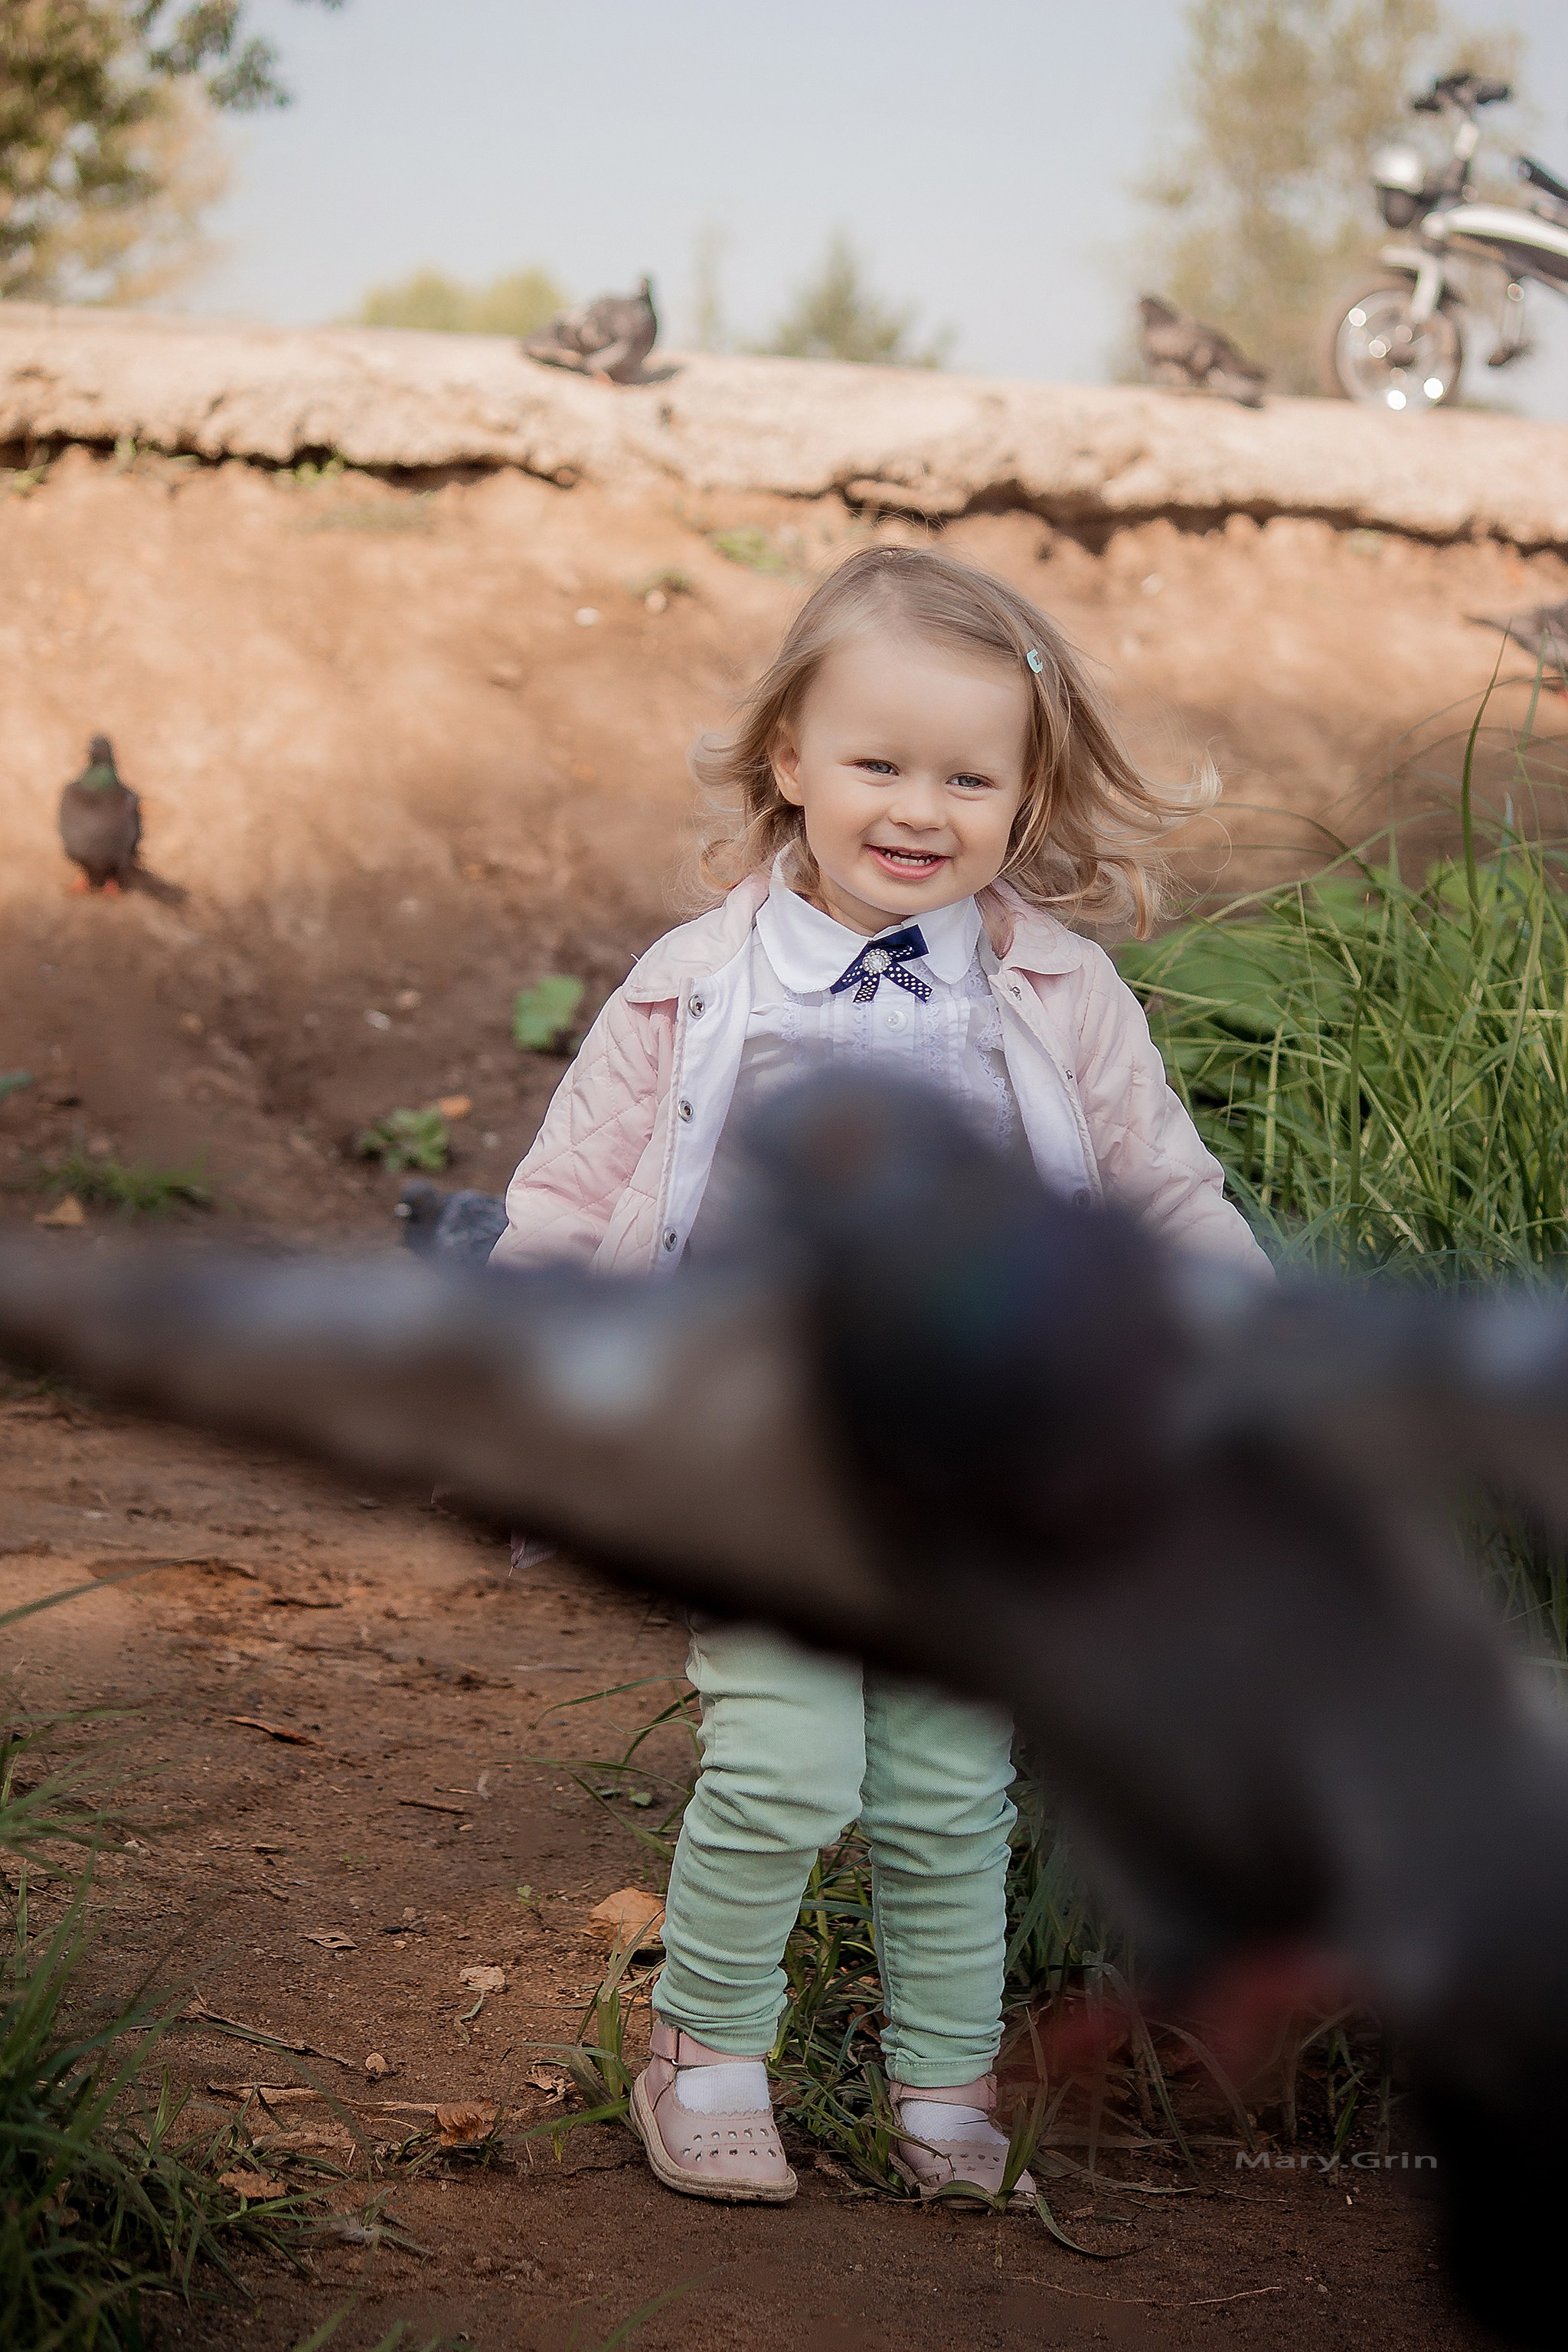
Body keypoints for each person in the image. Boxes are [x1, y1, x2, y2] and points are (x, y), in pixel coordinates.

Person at [492, 545, 1269, 2208]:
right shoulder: (697, 987)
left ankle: (943, 2086)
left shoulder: (1053, 993)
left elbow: (1161, 1189)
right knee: (784, 1764)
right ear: (790, 761)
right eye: (876, 763)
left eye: (967, 777)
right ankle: (700, 2047)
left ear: (1023, 794)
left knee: (944, 1784)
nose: (919, 807)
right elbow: (565, 1199)